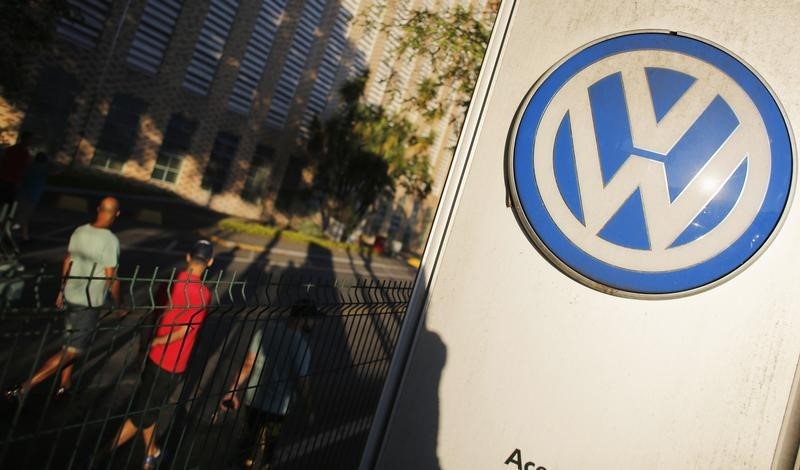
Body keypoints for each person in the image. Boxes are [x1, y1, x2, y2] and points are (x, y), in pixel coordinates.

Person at [101, 240, 214, 470]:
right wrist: (157, 341)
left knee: (145, 409)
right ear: (210, 262)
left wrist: (149, 344)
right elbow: (183, 332)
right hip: (173, 364)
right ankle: (112, 455)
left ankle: (146, 453)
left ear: (188, 256)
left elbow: (155, 315)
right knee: (143, 413)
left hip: (153, 357)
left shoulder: (170, 281)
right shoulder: (202, 295)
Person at [5, 196, 122, 400]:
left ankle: (65, 385)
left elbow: (68, 261)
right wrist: (119, 304)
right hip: (88, 302)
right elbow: (111, 276)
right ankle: (25, 387)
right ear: (117, 214)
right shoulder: (110, 241)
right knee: (73, 350)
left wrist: (62, 289)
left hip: (71, 295)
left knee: (70, 343)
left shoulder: (80, 231)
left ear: (98, 209)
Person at [220, 300, 315, 469]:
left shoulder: (266, 330)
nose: (313, 323)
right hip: (277, 408)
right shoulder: (301, 346)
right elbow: (303, 383)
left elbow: (248, 364)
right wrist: (309, 409)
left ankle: (244, 463)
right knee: (270, 445)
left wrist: (232, 390)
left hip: (254, 399)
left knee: (248, 440)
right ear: (304, 319)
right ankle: (265, 463)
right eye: (311, 319)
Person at [15, 151, 49, 242]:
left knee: (21, 214)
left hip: (24, 194)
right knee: (24, 216)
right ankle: (23, 235)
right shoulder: (42, 171)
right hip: (32, 196)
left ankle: (23, 234)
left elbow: (22, 178)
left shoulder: (30, 168)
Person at [0, 130, 33, 204]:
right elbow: (24, 168)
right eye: (30, 140)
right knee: (7, 203)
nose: (30, 142)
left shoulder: (11, 149)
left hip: (5, 179)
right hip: (11, 181)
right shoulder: (24, 153)